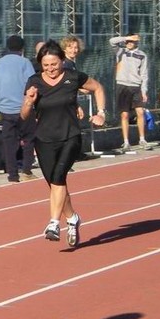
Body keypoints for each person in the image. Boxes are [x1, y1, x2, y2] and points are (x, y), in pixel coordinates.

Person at [21, 39, 106, 247]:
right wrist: (29, 102)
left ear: (62, 61)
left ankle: (53, 223)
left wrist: (101, 113)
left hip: (70, 136)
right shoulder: (34, 81)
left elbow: (98, 88)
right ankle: (72, 218)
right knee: (55, 184)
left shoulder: (73, 77)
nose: (50, 69)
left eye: (54, 64)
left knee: (59, 177)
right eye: (46, 65)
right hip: (44, 139)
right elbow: (24, 116)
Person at [0, 35, 38, 183]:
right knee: (29, 139)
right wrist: (33, 104)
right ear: (22, 48)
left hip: (6, 110)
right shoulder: (25, 62)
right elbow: (32, 84)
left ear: (7, 47)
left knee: (9, 143)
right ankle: (27, 171)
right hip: (24, 108)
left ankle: (12, 175)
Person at [109, 33, 151, 152]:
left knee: (140, 112)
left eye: (133, 41)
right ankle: (126, 142)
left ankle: (142, 139)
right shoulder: (120, 52)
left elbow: (144, 74)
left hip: (136, 87)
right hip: (122, 86)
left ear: (137, 42)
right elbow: (112, 41)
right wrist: (127, 38)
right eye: (128, 41)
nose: (129, 43)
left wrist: (144, 91)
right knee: (124, 114)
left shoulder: (142, 55)